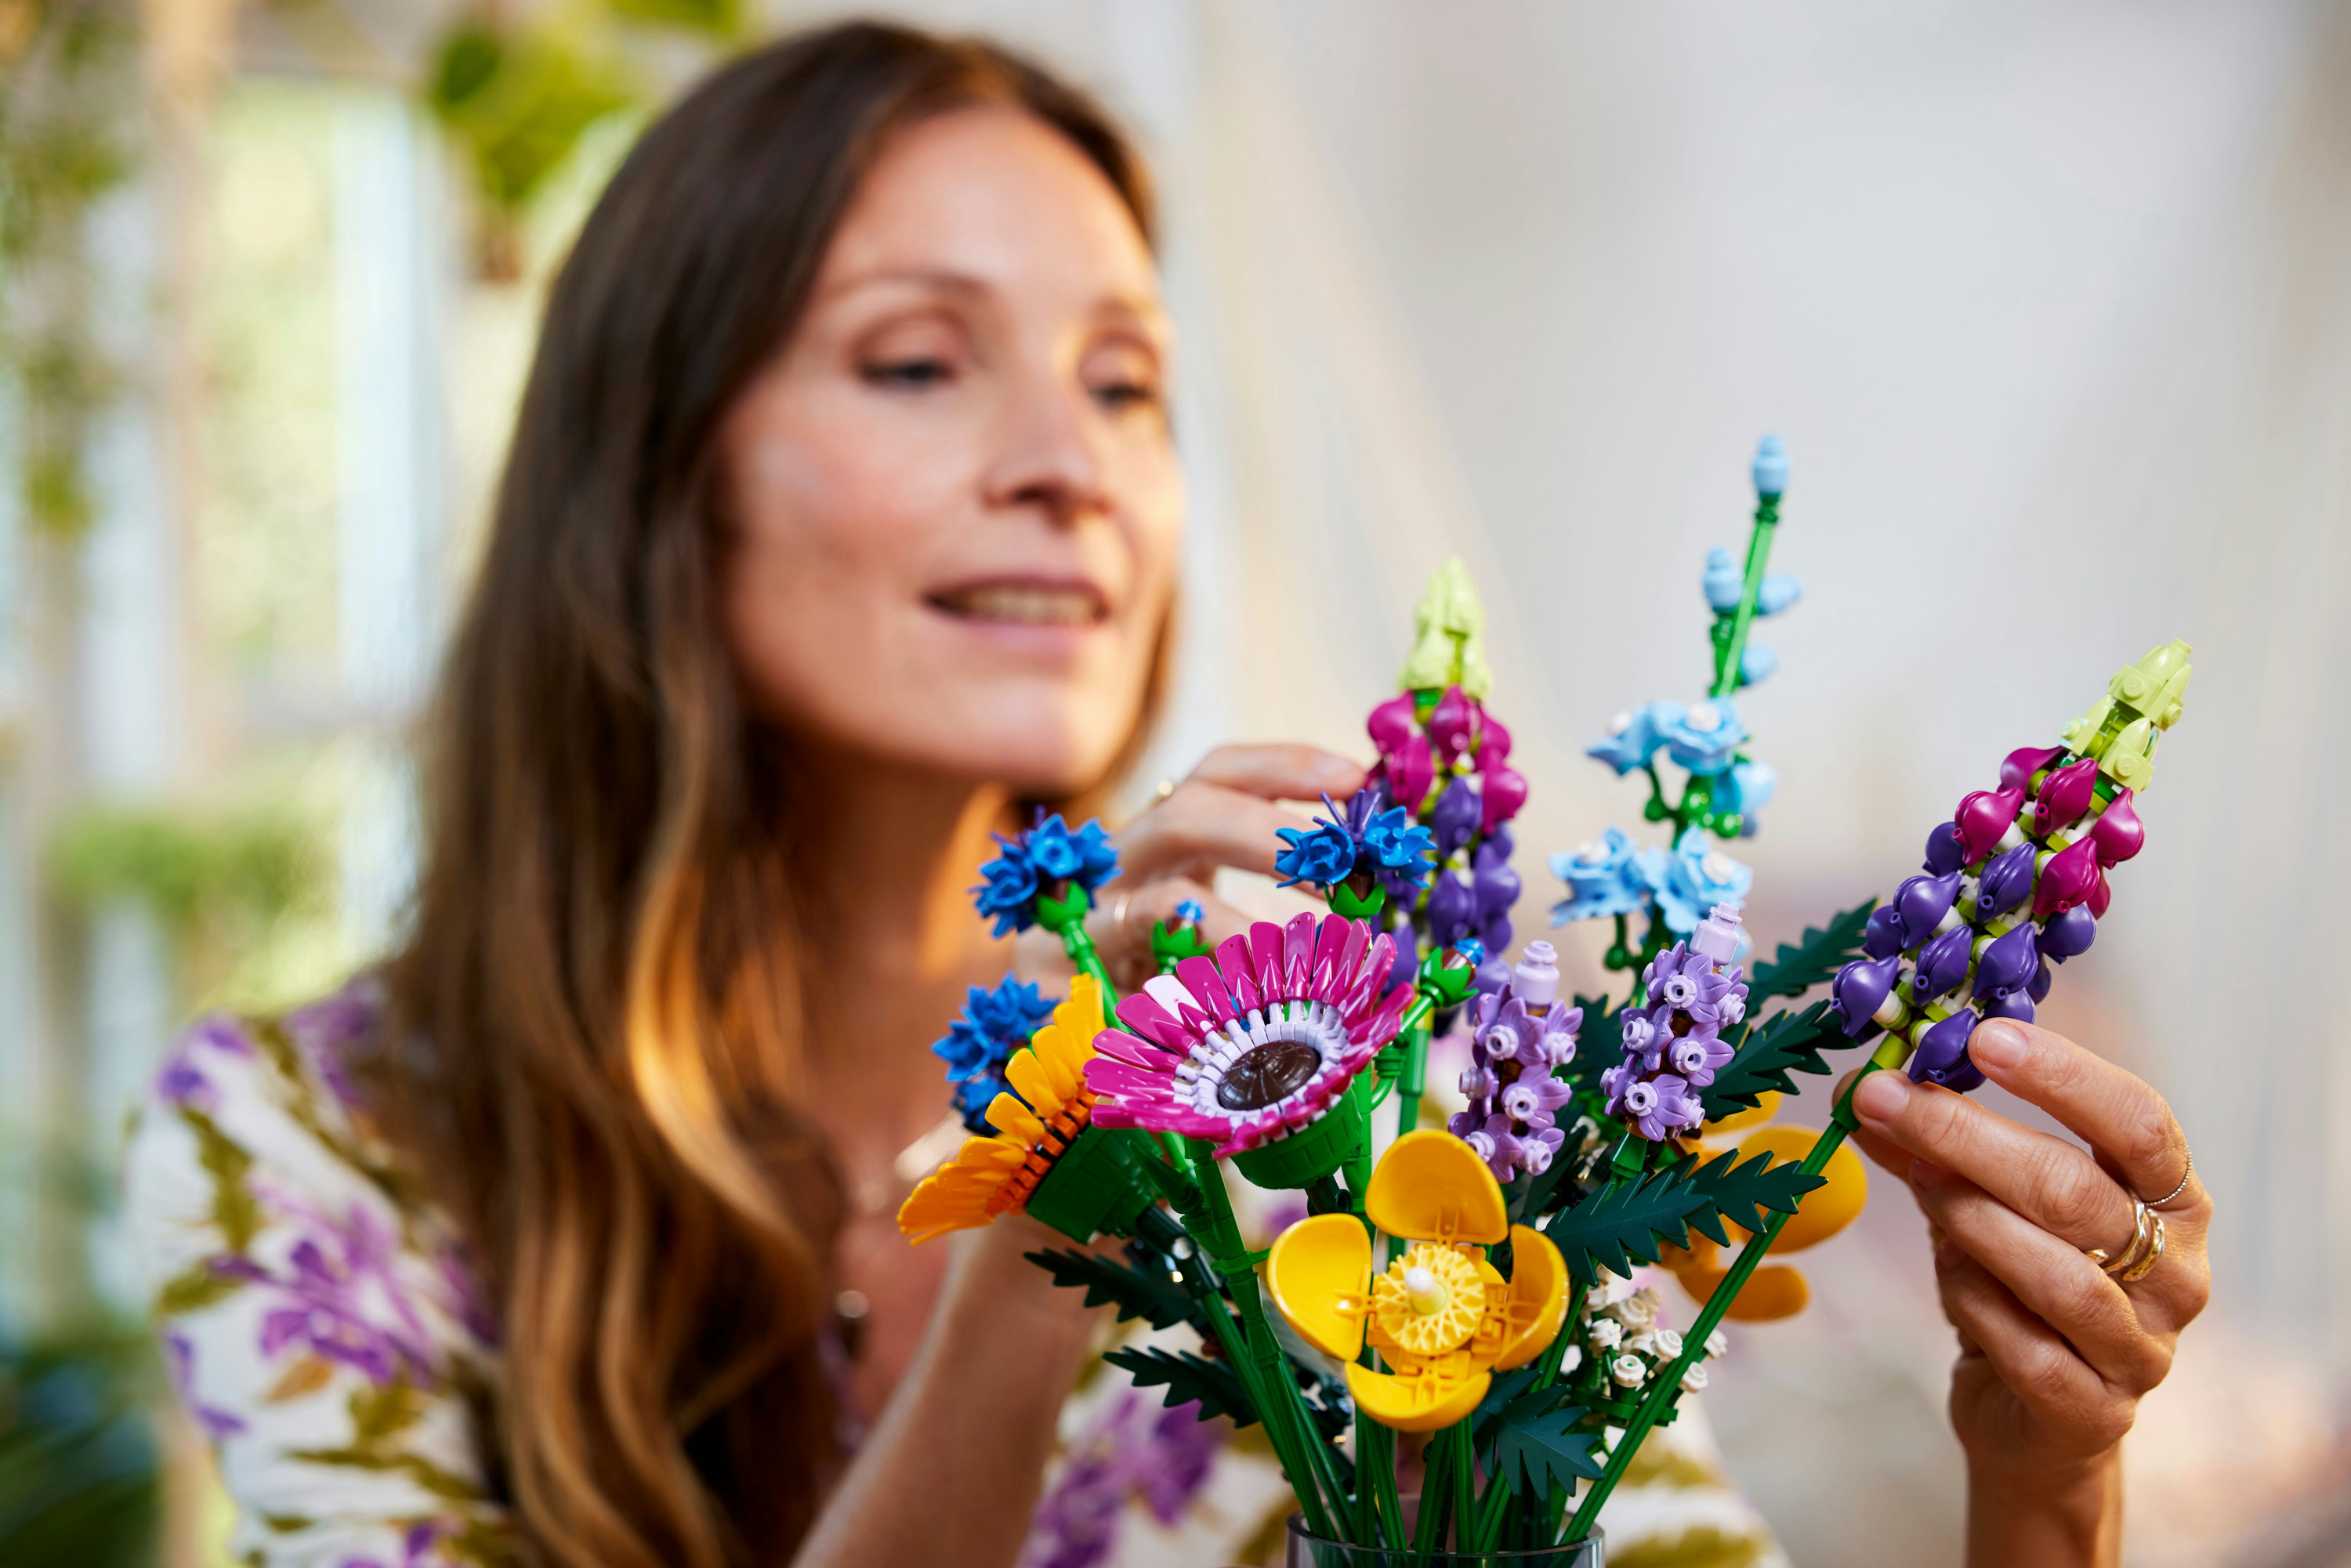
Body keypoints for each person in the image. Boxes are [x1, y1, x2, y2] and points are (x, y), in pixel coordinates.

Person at [125, 20, 2209, 1568]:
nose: (1073, 464)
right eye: (918, 360)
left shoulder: (1372, 1135)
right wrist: (1073, 1196)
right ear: (653, 471)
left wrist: (2045, 1486)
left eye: (1126, 381)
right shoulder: (310, 1162)